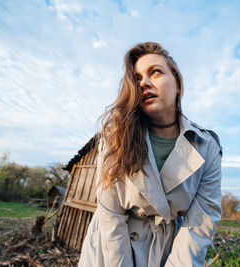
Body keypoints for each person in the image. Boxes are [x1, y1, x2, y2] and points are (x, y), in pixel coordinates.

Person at [78, 42, 222, 267]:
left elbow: (199, 224)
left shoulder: (206, 146)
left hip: (170, 251)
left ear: (177, 84)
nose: (143, 82)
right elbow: (110, 213)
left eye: (155, 72)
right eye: (136, 78)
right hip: (110, 250)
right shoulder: (116, 135)